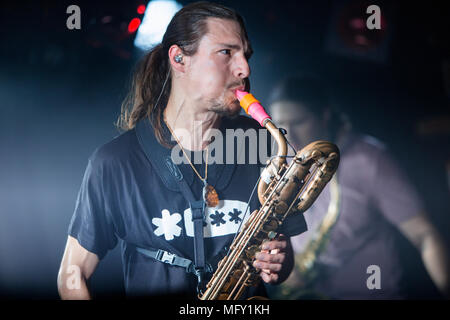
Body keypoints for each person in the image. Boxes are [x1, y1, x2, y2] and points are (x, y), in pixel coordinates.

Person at [57, 2, 307, 299]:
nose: (244, 69)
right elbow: (73, 273)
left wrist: (279, 261)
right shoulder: (115, 162)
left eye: (245, 55)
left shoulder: (261, 142)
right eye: (226, 52)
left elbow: (283, 258)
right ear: (179, 59)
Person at [266, 76, 450, 299]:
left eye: (298, 122)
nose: (289, 135)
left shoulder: (370, 159)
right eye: (281, 125)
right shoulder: (283, 163)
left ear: (324, 115)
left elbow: (425, 235)